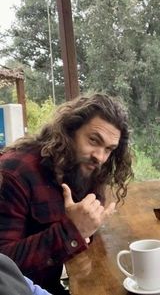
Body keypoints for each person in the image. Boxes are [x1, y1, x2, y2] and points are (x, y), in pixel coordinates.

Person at [0, 93, 133, 294]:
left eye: (109, 149)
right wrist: (70, 231)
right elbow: (4, 266)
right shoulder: (15, 172)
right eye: (94, 140)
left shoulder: (87, 167)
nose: (100, 157)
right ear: (69, 131)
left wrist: (85, 226)